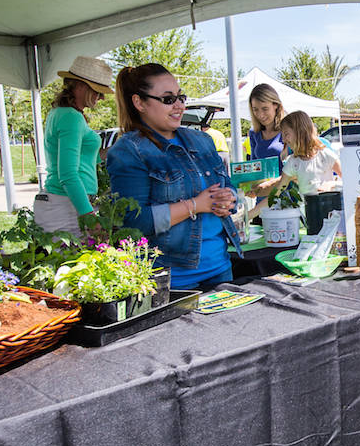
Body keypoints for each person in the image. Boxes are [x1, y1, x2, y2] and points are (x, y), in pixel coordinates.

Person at [107, 63, 242, 291]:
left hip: (220, 270)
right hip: (172, 282)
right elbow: (132, 223)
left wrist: (228, 199)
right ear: (139, 102)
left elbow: (228, 189)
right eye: (168, 99)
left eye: (181, 97)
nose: (179, 105)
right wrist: (195, 205)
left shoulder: (202, 140)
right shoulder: (129, 151)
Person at [35, 55, 114, 235]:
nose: (101, 97)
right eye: (97, 90)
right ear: (79, 85)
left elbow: (84, 161)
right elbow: (68, 174)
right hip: (64, 205)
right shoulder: (71, 117)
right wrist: (89, 216)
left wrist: (111, 150)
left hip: (63, 203)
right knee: (68, 262)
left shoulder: (63, 113)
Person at [247, 83, 286, 161]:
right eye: (255, 109)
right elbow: (254, 164)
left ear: (276, 105)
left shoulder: (289, 130)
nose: (261, 115)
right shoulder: (254, 133)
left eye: (265, 109)